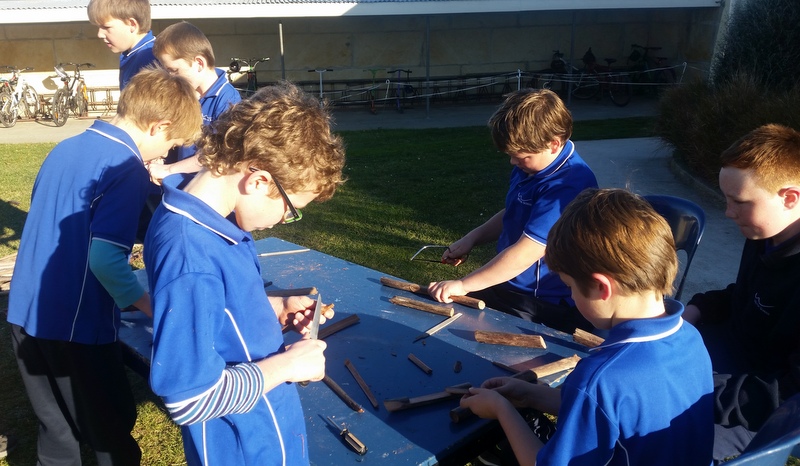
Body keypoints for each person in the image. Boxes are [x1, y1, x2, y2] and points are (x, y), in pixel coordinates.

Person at [143, 82, 345, 465]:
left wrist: (274, 307)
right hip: (243, 446)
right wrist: (287, 365)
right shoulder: (189, 255)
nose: (285, 220)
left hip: (264, 428)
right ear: (258, 180)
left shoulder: (217, 220)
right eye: (291, 209)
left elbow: (219, 306)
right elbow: (189, 399)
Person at [7, 68, 201, 466]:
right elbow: (106, 260)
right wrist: (153, 308)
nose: (163, 156)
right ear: (158, 126)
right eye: (170, 145)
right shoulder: (125, 168)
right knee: (110, 431)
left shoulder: (65, 147)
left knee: (56, 429)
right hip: (76, 327)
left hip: (24, 312)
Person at [461, 188, 715, 466]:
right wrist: (531, 394)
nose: (571, 296)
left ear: (600, 287)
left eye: (569, 287)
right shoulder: (690, 338)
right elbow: (613, 413)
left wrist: (502, 411)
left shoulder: (600, 377)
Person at [428, 88, 598, 334]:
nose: (513, 162)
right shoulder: (531, 166)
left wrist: (464, 284)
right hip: (510, 285)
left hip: (540, 302)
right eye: (511, 155)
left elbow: (526, 254)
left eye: (521, 156)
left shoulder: (567, 186)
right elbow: (516, 210)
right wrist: (473, 238)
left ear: (554, 144)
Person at [682, 123, 800, 462]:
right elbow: (748, 297)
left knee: (668, 441)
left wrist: (695, 388)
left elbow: (786, 396)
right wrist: (696, 310)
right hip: (735, 360)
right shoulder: (766, 235)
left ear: (789, 198)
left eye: (740, 201)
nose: (728, 212)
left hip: (764, 407)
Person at [148, 20, 242, 181]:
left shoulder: (228, 100)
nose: (170, 78)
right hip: (180, 182)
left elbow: (218, 154)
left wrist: (169, 170)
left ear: (199, 63)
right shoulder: (185, 94)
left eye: (174, 70)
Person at [88, 0, 157, 90]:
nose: (99, 34)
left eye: (106, 27)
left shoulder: (149, 59)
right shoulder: (130, 54)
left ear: (132, 24)